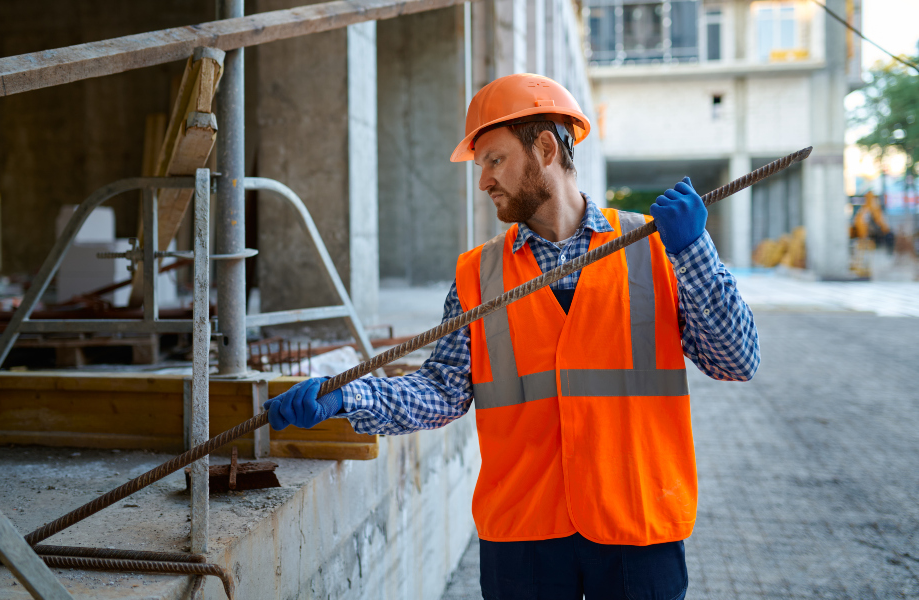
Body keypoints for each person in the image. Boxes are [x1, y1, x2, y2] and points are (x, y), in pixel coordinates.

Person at [265, 73, 760, 599]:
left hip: (637, 523)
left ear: (546, 148)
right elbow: (441, 390)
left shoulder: (656, 247)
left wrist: (696, 252)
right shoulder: (479, 275)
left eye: (494, 160)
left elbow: (737, 359)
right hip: (524, 535)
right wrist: (347, 395)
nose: (483, 181)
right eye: (481, 166)